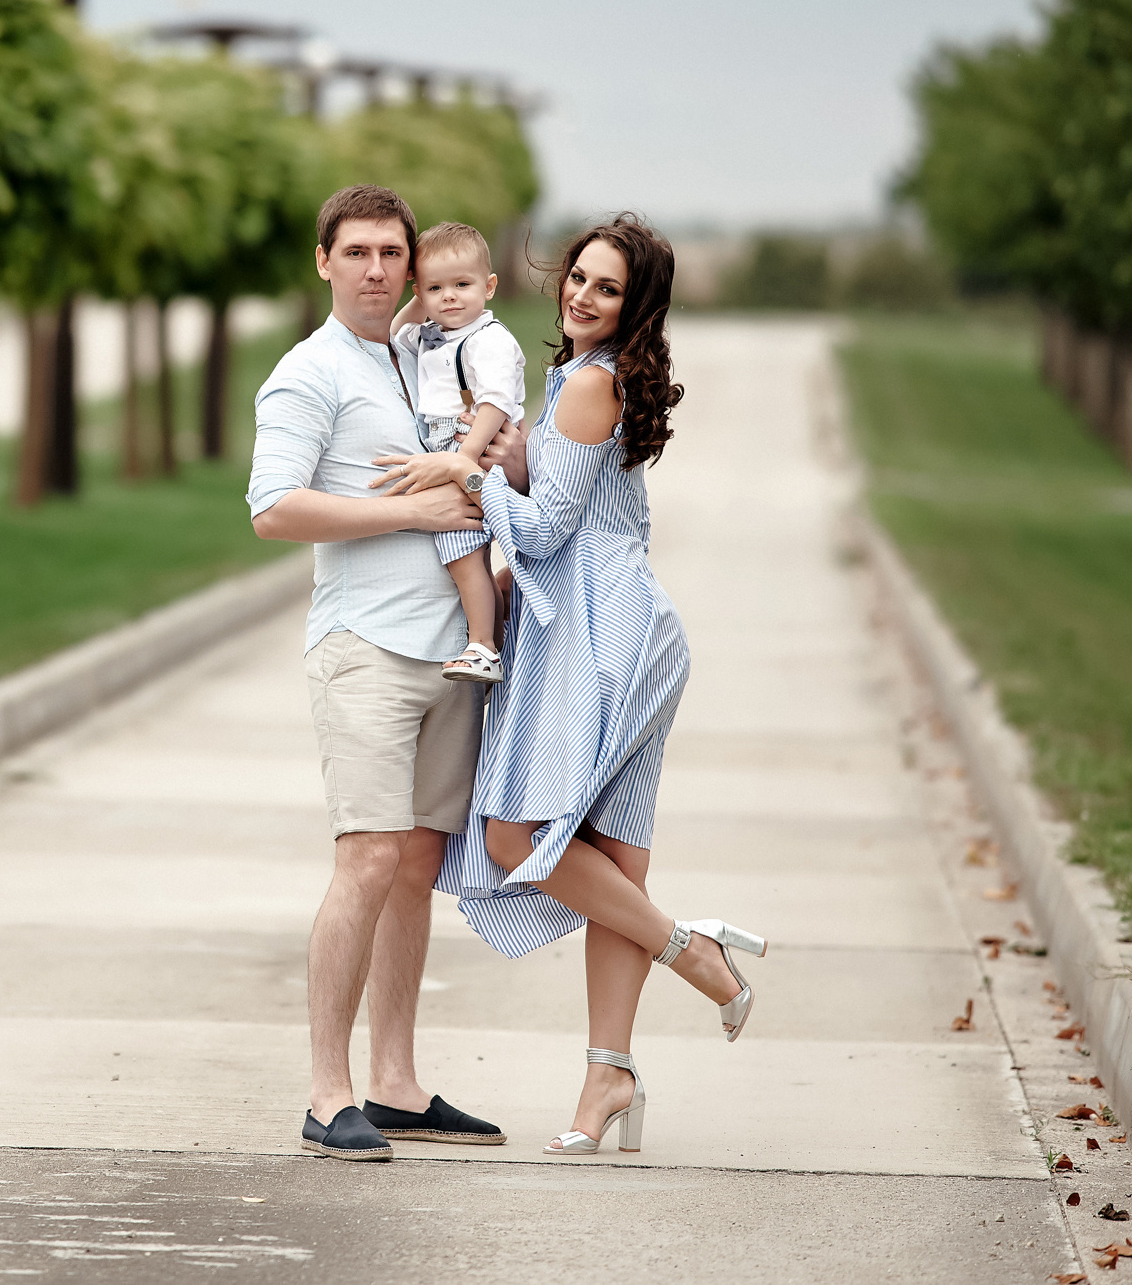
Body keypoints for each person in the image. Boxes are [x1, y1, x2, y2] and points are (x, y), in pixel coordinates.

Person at [373, 215, 766, 1158]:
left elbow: (545, 530)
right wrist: (501, 455)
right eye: (578, 278)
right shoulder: (579, 380)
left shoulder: (591, 384)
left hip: (598, 634)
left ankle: (690, 952)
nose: (583, 296)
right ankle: (608, 1075)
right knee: (613, 863)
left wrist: (465, 474)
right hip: (612, 625)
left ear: (637, 309)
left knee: (515, 831)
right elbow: (557, 501)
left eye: (607, 288)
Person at [246, 183, 511, 1163]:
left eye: (388, 254)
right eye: (353, 252)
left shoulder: (421, 360)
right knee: (365, 858)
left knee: (415, 870)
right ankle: (329, 1093)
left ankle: (395, 1084)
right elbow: (272, 509)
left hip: (452, 654)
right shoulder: (308, 374)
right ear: (323, 262)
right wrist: (411, 513)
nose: (373, 269)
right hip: (363, 652)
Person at [391, 221, 526, 686]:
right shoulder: (435, 332)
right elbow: (395, 331)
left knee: (464, 555)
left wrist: (462, 459)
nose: (449, 297)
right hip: (449, 446)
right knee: (463, 554)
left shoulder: (486, 340)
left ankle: (484, 645)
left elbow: (494, 402)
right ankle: (491, 627)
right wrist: (420, 297)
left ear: (488, 287)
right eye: (435, 288)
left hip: (469, 444)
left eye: (461, 285)